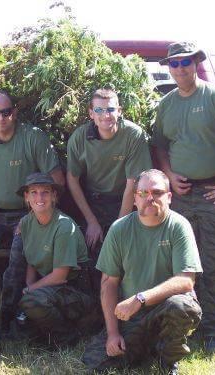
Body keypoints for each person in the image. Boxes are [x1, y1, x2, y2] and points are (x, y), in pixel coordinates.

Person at [151, 41, 215, 353]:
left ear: (196, 63)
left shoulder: (214, 96)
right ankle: (188, 325)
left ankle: (214, 331)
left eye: (186, 62)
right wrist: (169, 175)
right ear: (169, 68)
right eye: (174, 64)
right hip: (183, 196)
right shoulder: (167, 104)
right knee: (184, 263)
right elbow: (159, 144)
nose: (180, 68)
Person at [83, 169, 202, 374]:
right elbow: (108, 283)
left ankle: (168, 361)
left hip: (165, 309)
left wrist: (140, 298)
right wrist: (112, 333)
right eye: (143, 193)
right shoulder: (119, 229)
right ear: (135, 198)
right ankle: (147, 347)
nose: (150, 198)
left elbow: (186, 280)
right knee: (96, 361)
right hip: (132, 315)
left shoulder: (179, 226)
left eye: (157, 193)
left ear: (169, 197)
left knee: (180, 305)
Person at [0, 90, 64, 288]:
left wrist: (35, 216)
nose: (1, 117)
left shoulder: (33, 137)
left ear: (15, 112)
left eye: (6, 112)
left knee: (18, 254)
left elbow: (57, 181)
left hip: (28, 213)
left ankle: (14, 306)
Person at [66, 88, 152, 291]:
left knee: (124, 249)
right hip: (92, 203)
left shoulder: (133, 135)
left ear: (120, 111)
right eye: (99, 110)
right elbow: (72, 178)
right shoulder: (79, 138)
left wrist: (118, 228)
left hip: (124, 201)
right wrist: (91, 221)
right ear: (91, 114)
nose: (106, 115)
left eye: (111, 109)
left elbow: (133, 184)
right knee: (88, 253)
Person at [0, 172, 97, 347]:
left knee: (32, 302)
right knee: (23, 328)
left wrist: (30, 291)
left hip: (74, 290)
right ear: (26, 197)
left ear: (54, 196)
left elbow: (60, 276)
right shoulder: (27, 222)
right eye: (34, 192)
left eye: (45, 192)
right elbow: (31, 260)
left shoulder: (64, 225)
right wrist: (29, 287)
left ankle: (67, 337)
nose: (40, 197)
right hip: (49, 289)